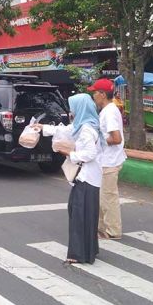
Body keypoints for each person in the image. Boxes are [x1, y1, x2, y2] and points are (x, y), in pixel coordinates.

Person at [37, 94, 102, 264]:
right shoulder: (82, 125)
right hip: (87, 177)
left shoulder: (87, 129)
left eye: (73, 108)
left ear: (80, 109)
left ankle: (80, 254)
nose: (71, 112)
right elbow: (64, 130)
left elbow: (90, 154)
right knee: (82, 213)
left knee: (80, 214)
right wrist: (41, 127)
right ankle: (88, 250)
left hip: (87, 177)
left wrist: (69, 154)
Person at [89, 79, 126, 240]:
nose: (93, 96)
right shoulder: (107, 110)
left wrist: (97, 140)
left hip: (110, 161)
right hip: (106, 160)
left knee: (108, 197)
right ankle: (102, 227)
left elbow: (116, 138)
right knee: (102, 197)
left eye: (95, 93)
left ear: (102, 94)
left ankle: (113, 231)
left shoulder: (109, 112)